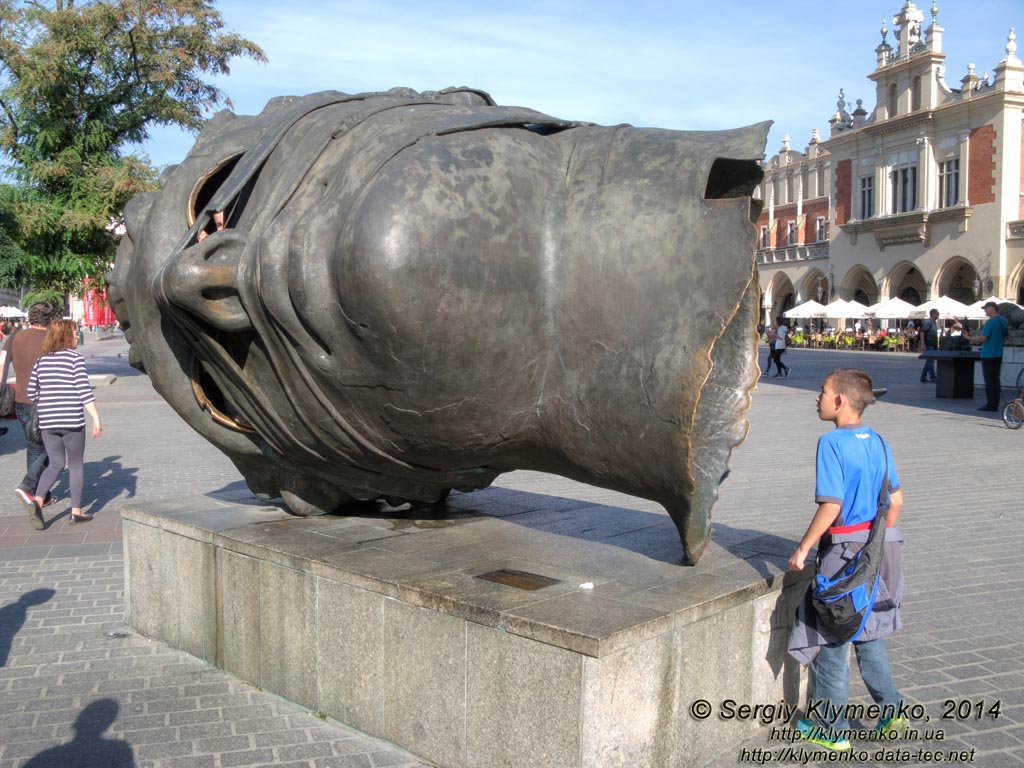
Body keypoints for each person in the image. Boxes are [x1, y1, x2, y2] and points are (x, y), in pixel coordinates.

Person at [787, 368, 907, 751]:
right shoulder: (880, 440)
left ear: (839, 400)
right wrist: (874, 538)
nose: (817, 398)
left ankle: (831, 729)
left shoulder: (832, 442)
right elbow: (897, 500)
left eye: (821, 391)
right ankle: (893, 712)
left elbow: (831, 505)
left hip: (844, 552)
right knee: (869, 636)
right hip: (881, 545)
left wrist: (805, 548)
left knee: (833, 638)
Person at [25, 319, 102, 528]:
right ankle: (76, 512)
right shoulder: (74, 359)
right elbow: (84, 391)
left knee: (56, 464)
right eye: (75, 333)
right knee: (75, 464)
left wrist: (49, 397)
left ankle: (37, 500)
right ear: (67, 336)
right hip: (72, 420)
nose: (77, 336)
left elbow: (31, 391)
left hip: (48, 421)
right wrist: (96, 417)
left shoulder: (42, 361)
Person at [3, 302, 56, 518]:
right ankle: (28, 487)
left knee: (33, 445)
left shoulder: (14, 337)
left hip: (21, 400)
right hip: (47, 401)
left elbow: (1, 364)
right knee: (53, 446)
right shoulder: (52, 339)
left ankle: (42, 494)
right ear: (50, 319)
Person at [963, 301, 1009, 412]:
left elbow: (983, 338)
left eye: (986, 308)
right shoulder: (1003, 321)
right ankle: (995, 403)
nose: (984, 310)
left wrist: (969, 338)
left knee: (989, 380)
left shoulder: (990, 322)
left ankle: (990, 404)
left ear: (992, 308)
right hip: (998, 353)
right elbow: (1006, 337)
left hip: (988, 354)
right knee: (996, 379)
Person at [918, 308, 939, 382]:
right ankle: (933, 377)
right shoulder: (928, 322)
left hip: (933, 344)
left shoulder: (934, 323)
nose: (938, 314)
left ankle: (923, 377)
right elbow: (922, 333)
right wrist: (923, 344)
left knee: (929, 362)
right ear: (932, 314)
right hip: (928, 344)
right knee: (931, 362)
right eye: (937, 313)